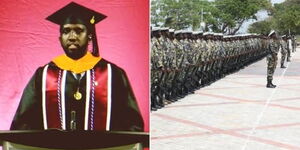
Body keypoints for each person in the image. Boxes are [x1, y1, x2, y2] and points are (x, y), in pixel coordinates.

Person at [10, 2, 144, 131]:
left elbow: (132, 124)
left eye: (79, 30)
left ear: (90, 36)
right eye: (66, 31)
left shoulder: (112, 74)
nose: (72, 37)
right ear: (60, 38)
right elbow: (23, 125)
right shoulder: (44, 75)